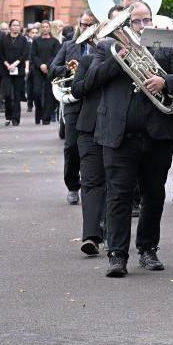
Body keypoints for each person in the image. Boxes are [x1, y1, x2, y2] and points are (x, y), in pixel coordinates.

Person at [90, 1, 173, 277]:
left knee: (154, 195)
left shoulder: (167, 45)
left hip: (157, 134)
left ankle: (148, 249)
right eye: (135, 21)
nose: (141, 26)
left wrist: (165, 82)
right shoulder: (105, 47)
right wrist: (118, 58)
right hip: (119, 134)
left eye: (146, 19)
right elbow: (90, 81)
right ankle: (117, 255)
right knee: (118, 196)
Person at [71, 8, 116, 256]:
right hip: (88, 129)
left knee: (114, 184)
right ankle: (91, 236)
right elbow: (78, 90)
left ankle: (111, 234)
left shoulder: (127, 61)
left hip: (114, 129)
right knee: (90, 182)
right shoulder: (88, 61)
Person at [50, 11, 97, 204]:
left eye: (89, 25)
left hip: (94, 102)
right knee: (71, 146)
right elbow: (53, 69)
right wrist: (68, 69)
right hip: (73, 102)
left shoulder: (101, 47)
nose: (85, 28)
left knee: (94, 147)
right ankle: (72, 186)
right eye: (83, 25)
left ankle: (90, 185)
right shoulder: (69, 45)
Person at [0, 20, 28, 127]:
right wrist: (7, 64)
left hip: (18, 70)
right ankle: (8, 116)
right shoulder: (4, 39)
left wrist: (15, 64)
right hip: (6, 70)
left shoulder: (23, 40)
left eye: (17, 25)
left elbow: (25, 54)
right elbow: (0, 53)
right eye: (13, 25)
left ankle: (16, 118)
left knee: (17, 95)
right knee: (7, 94)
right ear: (10, 27)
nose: (15, 27)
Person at [30, 21, 60, 125]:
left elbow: (56, 55)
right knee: (37, 93)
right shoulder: (36, 41)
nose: (45, 28)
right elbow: (33, 55)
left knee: (48, 94)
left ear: (50, 28)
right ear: (41, 28)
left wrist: (47, 65)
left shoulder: (55, 42)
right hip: (38, 70)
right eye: (43, 27)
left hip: (50, 70)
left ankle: (46, 118)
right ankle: (38, 116)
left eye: (47, 27)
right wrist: (41, 65)